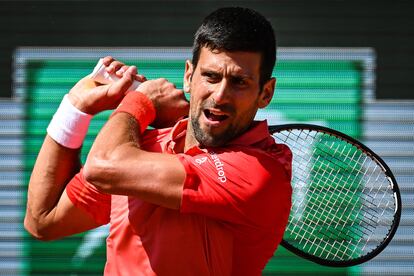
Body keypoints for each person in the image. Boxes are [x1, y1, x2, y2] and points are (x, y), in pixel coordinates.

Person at [24, 7, 292, 276]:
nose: (220, 95)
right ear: (189, 76)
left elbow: (102, 166)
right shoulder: (145, 147)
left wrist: (141, 101)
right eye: (210, 76)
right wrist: (75, 108)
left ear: (265, 93)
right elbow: (43, 220)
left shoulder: (259, 172)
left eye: (239, 82)